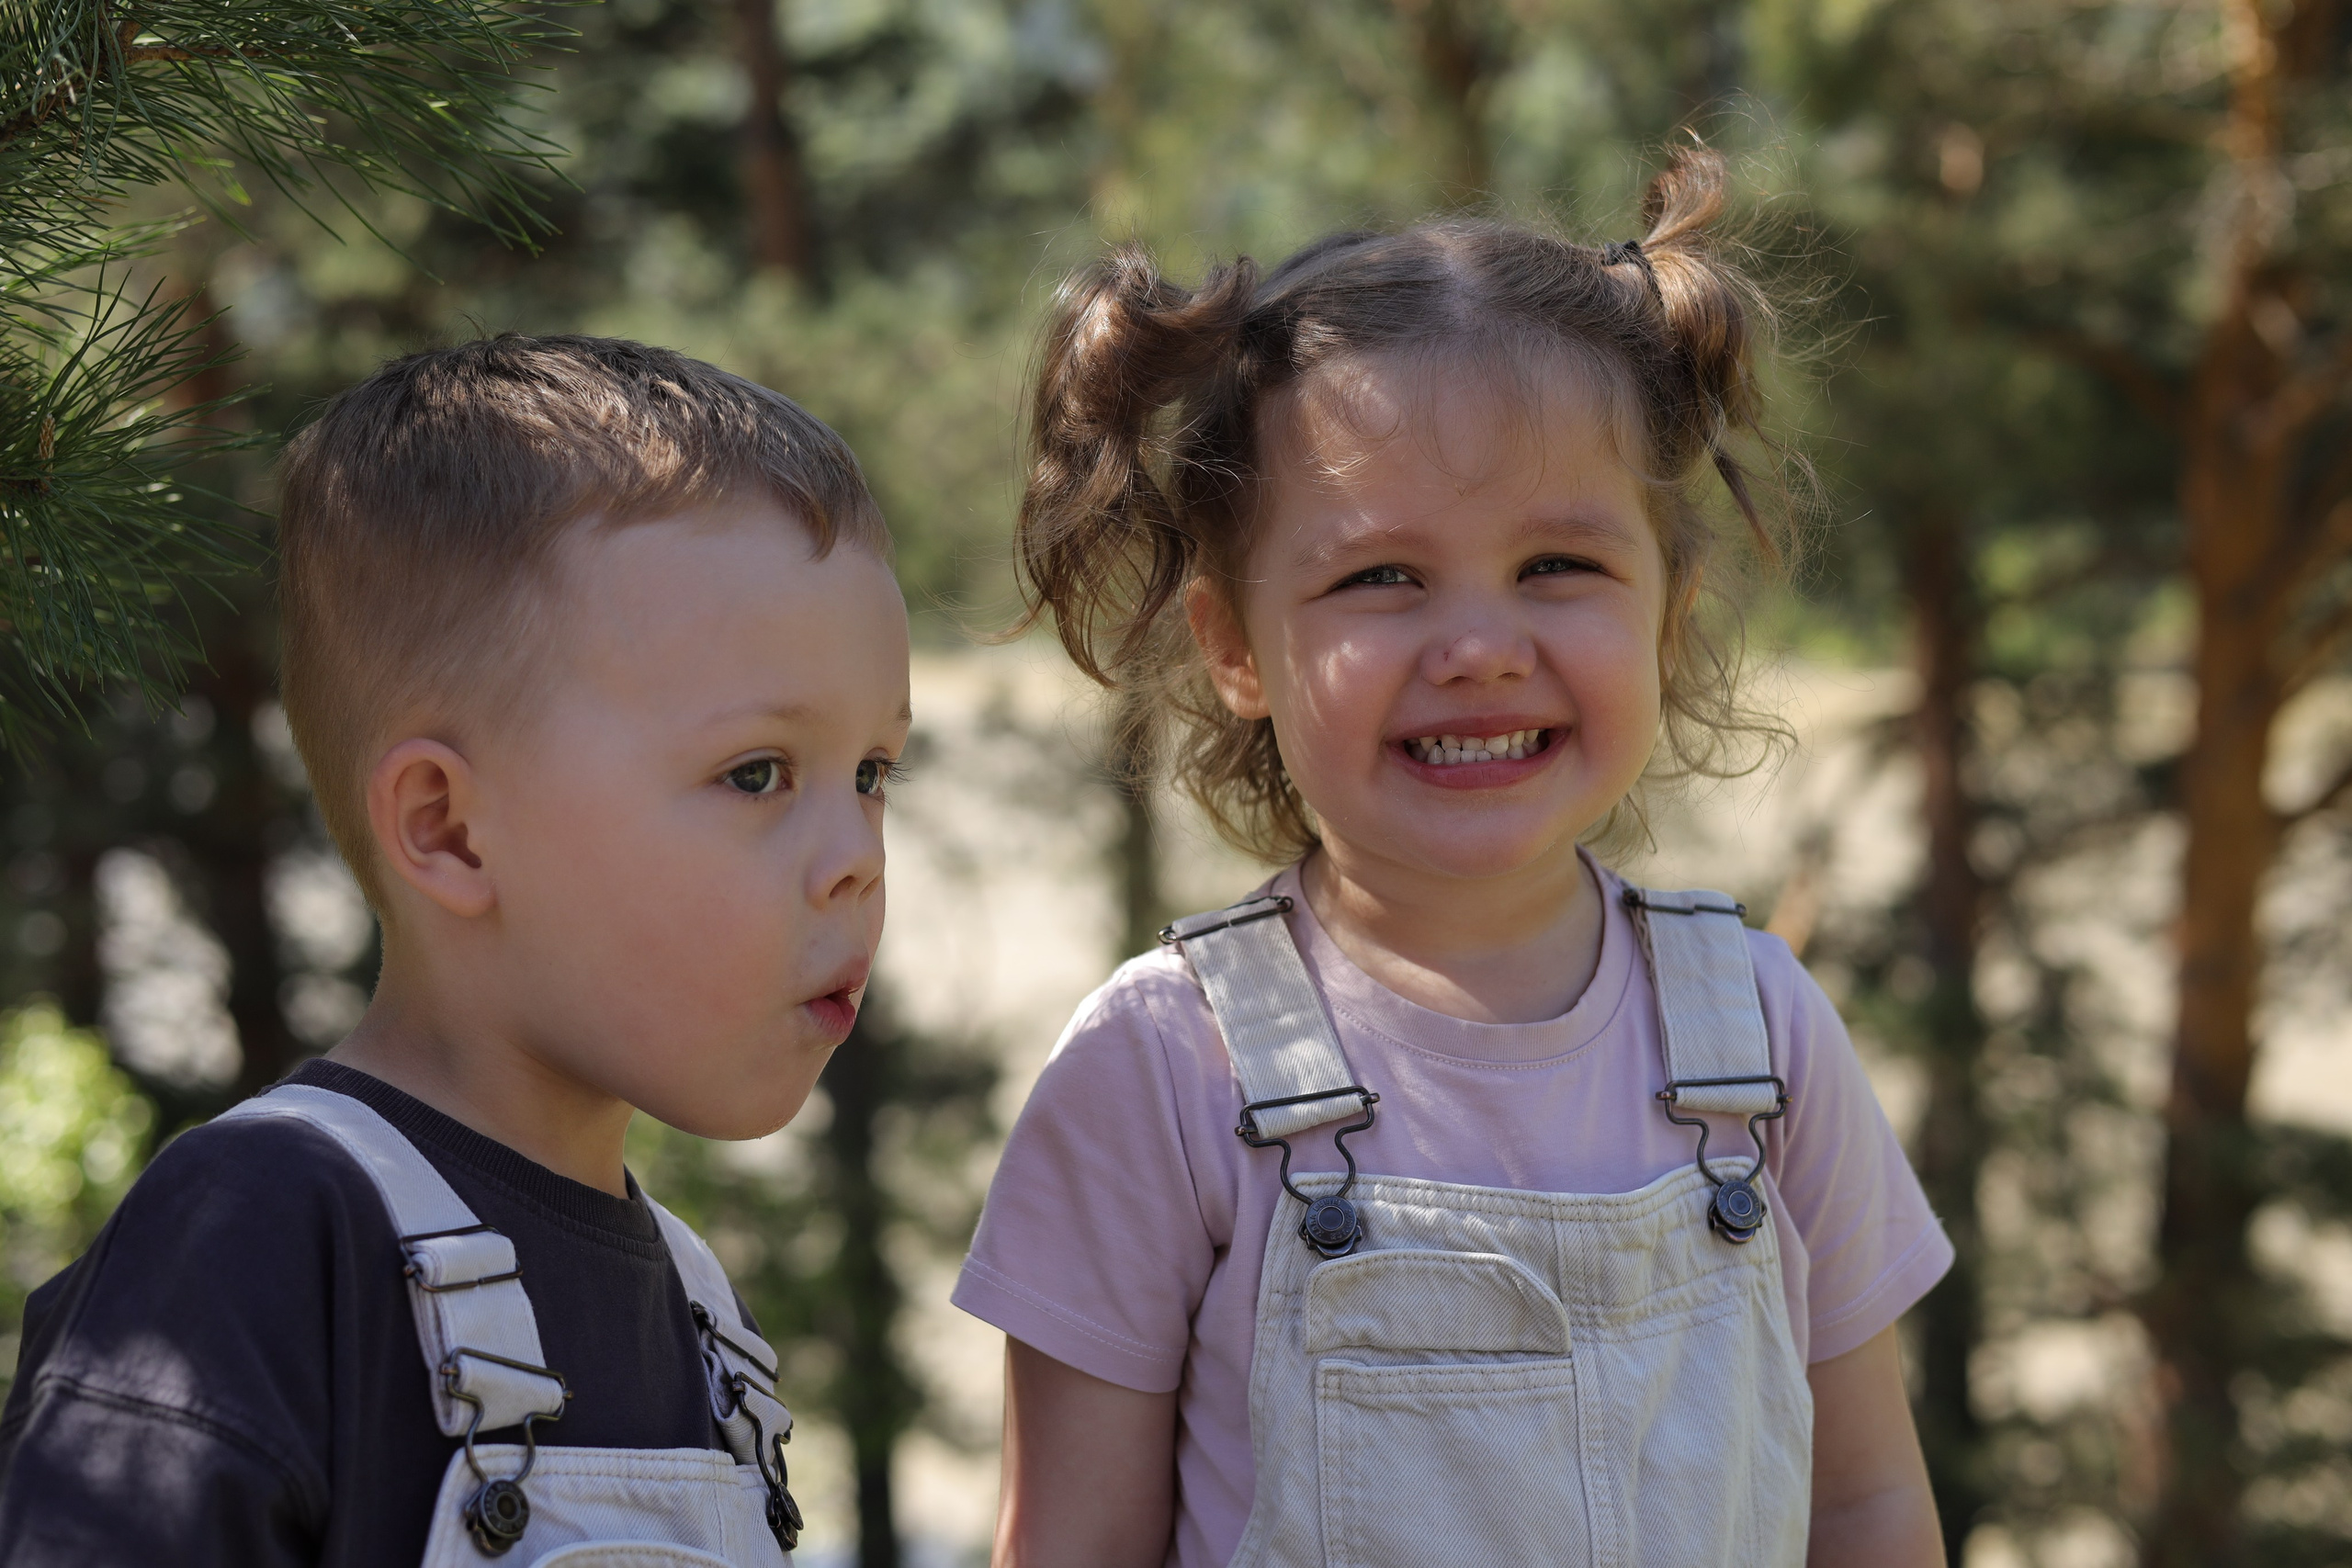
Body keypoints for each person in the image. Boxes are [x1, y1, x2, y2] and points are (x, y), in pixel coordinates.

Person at [955, 148, 1952, 1568]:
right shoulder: (1164, 1071)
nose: (1480, 647)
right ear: (1235, 646)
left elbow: (1861, 1507)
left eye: (1561, 566)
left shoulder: (1763, 1031)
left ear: (1669, 613)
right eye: (1381, 578)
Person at [0, 335, 912, 1567]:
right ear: (450, 831)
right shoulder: (260, 1235)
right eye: (757, 773)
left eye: (872, 774)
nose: (856, 852)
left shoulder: (704, 1322)